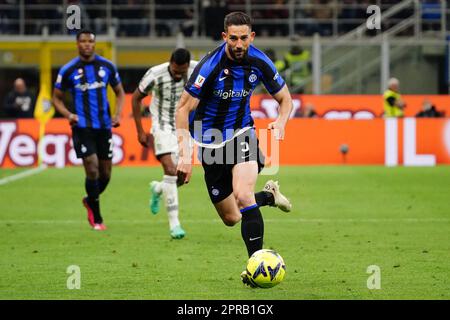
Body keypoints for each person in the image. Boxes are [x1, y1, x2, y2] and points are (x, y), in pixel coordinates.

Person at [175, 11, 293, 287]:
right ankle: (268, 196)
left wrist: (281, 120)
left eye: (244, 38)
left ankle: (256, 268)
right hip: (208, 142)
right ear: (224, 36)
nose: (239, 44)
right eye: (233, 38)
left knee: (242, 194)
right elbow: (183, 109)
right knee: (231, 217)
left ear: (251, 36)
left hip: (242, 133)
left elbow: (285, 98)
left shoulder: (259, 61)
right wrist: (185, 155)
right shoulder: (209, 66)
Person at [52, 30, 125, 231]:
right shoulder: (68, 70)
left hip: (104, 126)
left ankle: (90, 199)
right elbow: (56, 98)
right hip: (82, 127)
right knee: (92, 167)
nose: (87, 45)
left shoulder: (107, 66)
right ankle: (97, 217)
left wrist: (118, 115)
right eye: (83, 41)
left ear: (94, 44)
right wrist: (68, 115)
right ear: (77, 44)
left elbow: (119, 93)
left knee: (106, 174)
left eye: (90, 41)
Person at [131, 48, 197, 240]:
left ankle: (158, 188)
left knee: (182, 177)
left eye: (181, 72)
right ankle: (174, 223)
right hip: (161, 125)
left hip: (184, 127)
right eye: (175, 71)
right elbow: (136, 98)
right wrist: (140, 131)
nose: (178, 75)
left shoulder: (196, 70)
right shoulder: (155, 74)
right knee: (170, 169)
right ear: (170, 63)